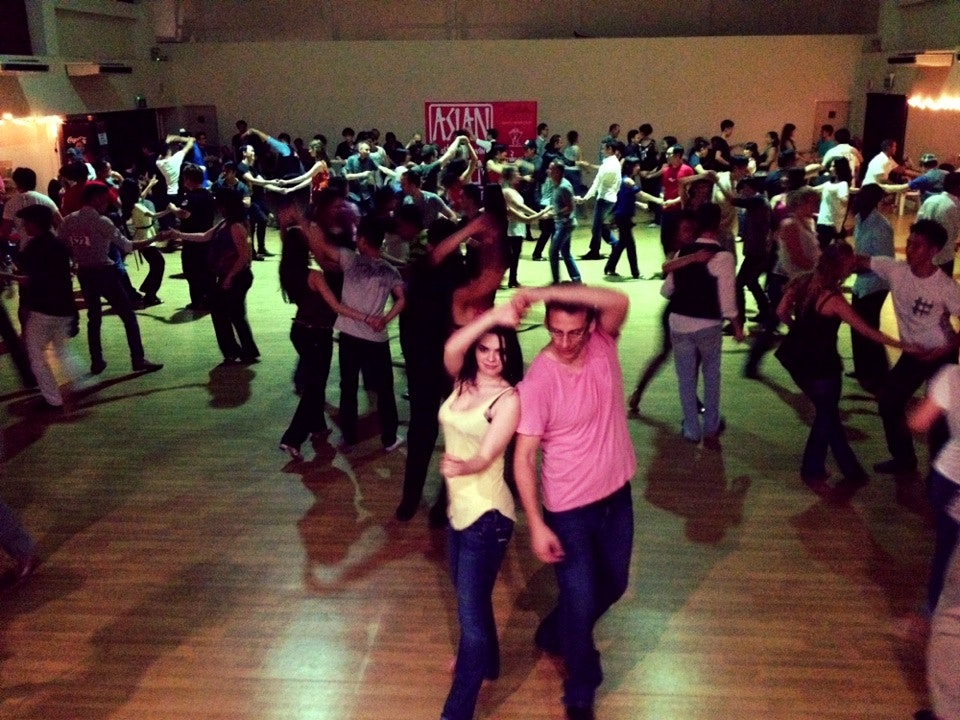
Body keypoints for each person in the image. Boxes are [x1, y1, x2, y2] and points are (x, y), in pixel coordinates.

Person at [512, 283, 635, 720]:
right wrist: (536, 524)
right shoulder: (539, 381)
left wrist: (540, 291)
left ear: (590, 327)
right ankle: (580, 688)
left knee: (614, 584)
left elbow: (619, 301)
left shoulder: (603, 343)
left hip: (617, 496)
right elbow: (523, 457)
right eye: (555, 331)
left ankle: (554, 631)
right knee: (580, 600)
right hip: (569, 511)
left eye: (574, 332)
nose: (564, 342)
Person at [436, 303, 522, 720]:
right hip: (458, 512)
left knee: (469, 623)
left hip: (487, 517)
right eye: (485, 349)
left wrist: (462, 466)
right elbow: (452, 348)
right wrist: (493, 318)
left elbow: (487, 455)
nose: (491, 358)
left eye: (501, 351)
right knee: (472, 597)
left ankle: (456, 713)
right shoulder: (462, 380)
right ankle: (489, 665)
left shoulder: (508, 398)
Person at [775, 243, 911, 497]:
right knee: (826, 416)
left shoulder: (802, 282)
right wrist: (902, 344)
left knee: (828, 414)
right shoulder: (833, 300)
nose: (853, 269)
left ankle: (851, 470)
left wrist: (799, 330)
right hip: (822, 366)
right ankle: (812, 469)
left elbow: (781, 311)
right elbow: (866, 330)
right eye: (850, 265)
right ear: (838, 266)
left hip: (796, 360)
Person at [276, 207, 374, 460]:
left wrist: (289, 225)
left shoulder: (288, 272)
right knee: (314, 387)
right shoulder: (315, 276)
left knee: (314, 381)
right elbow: (336, 307)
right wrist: (367, 317)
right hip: (317, 336)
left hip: (299, 331)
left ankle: (318, 425)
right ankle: (292, 438)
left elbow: (291, 243)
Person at [864, 219, 960, 477]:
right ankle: (904, 459)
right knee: (889, 402)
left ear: (933, 251)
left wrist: (943, 351)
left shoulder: (945, 287)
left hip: (941, 355)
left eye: (917, 245)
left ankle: (939, 473)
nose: (909, 249)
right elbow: (856, 260)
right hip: (914, 353)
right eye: (909, 243)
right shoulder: (896, 270)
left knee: (940, 418)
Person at [306, 216, 406, 451]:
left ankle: (349, 437)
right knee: (385, 389)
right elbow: (402, 299)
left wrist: (309, 224)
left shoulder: (350, 259)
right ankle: (390, 438)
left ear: (362, 240)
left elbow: (321, 246)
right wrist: (385, 319)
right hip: (376, 338)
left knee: (348, 386)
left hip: (349, 334)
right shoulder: (389, 270)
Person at [58, 182, 163, 375]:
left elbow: (62, 246)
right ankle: (138, 359)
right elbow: (127, 246)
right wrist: (154, 239)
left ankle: (96, 361)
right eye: (105, 199)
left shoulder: (68, 221)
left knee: (94, 318)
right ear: (96, 198)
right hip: (105, 273)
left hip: (85, 273)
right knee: (129, 317)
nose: (107, 203)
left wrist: (75, 259)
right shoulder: (102, 221)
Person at [661, 203, 744, 442]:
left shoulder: (683, 252)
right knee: (711, 374)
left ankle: (691, 428)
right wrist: (737, 326)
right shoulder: (723, 257)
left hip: (679, 321)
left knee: (686, 377)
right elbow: (727, 300)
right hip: (708, 323)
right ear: (719, 224)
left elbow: (666, 290)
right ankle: (711, 424)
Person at [167, 188, 260, 364]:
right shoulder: (226, 223)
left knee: (223, 312)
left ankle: (235, 351)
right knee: (233, 314)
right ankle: (245, 351)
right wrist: (179, 235)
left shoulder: (236, 226)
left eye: (220, 203)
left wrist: (229, 278)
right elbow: (204, 236)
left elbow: (243, 257)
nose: (218, 206)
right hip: (232, 275)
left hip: (237, 276)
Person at [14, 204, 79, 409]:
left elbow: (30, 280)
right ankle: (82, 382)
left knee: (35, 353)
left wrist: (24, 305)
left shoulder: (33, 248)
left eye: (26, 223)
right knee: (61, 349)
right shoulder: (58, 244)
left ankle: (52, 399)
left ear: (34, 223)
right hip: (63, 306)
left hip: (43, 308)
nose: (24, 227)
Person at [908, 364, 960, 618]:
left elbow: (918, 422)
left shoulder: (951, 375)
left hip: (949, 475)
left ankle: (934, 607)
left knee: (947, 547)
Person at [850, 184, 894, 390]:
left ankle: (879, 372)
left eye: (864, 197)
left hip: (876, 284)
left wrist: (854, 268)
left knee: (868, 328)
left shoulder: (881, 226)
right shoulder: (860, 219)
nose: (858, 200)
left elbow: (885, 261)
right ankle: (862, 369)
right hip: (861, 281)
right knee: (858, 326)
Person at [577, 141, 621, 260]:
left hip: (604, 199)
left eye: (603, 149)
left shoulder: (607, 166)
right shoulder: (616, 163)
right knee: (600, 225)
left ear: (609, 149)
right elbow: (618, 183)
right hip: (611, 198)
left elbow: (596, 184)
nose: (601, 151)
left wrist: (585, 198)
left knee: (596, 227)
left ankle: (595, 251)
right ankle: (614, 244)